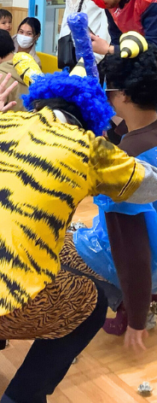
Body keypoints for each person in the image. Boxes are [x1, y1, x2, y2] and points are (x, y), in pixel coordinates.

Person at [0, 66, 157, 403]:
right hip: (10, 298)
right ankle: (23, 396)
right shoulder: (88, 149)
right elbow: (149, 185)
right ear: (92, 119)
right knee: (92, 304)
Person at [74, 46, 157, 350]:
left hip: (148, 261)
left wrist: (137, 317)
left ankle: (124, 302)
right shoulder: (137, 140)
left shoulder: (125, 165)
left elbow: (132, 250)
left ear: (122, 94)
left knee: (64, 248)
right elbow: (123, 131)